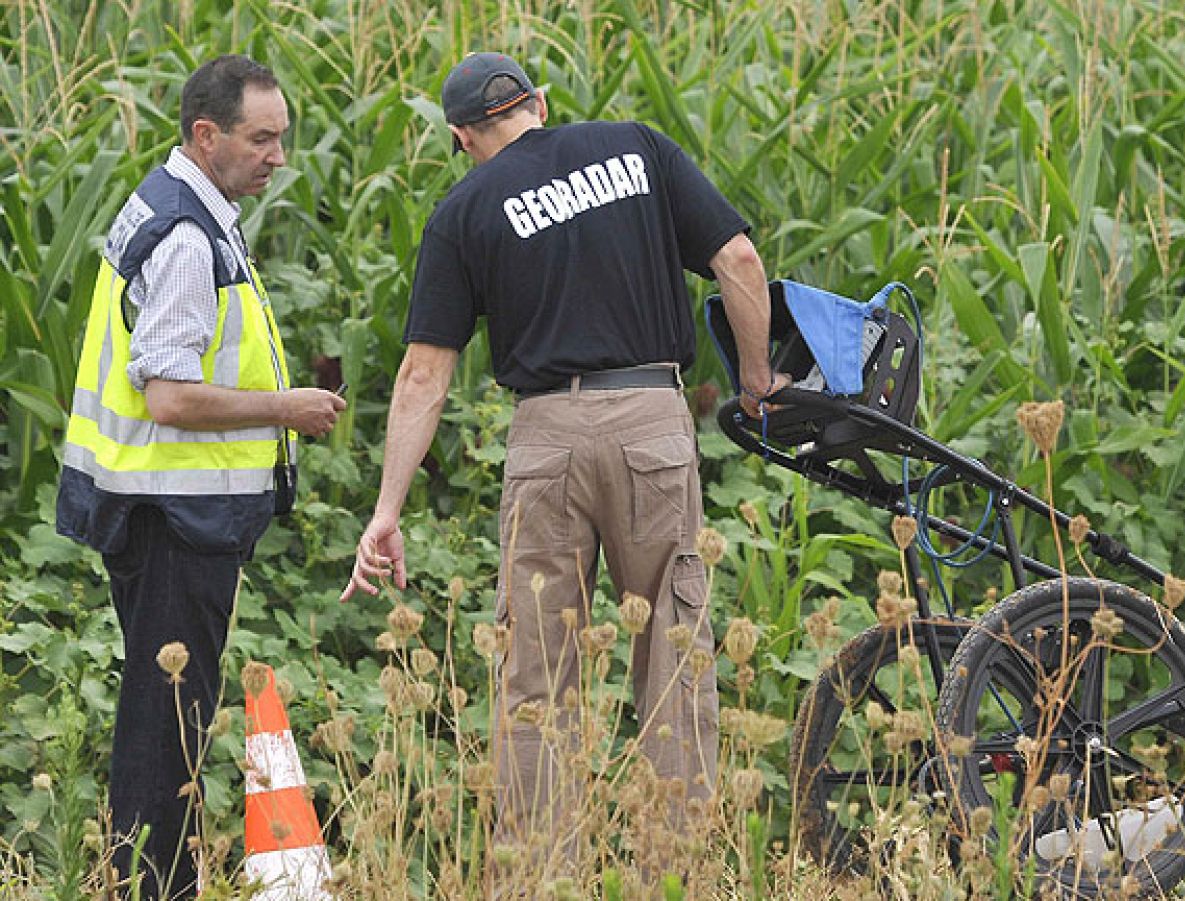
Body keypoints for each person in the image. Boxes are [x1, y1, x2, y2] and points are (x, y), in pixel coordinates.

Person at [340, 52, 786, 875]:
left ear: (461, 137)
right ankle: (673, 875)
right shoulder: (638, 147)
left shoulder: (463, 209)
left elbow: (423, 374)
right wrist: (756, 382)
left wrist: (387, 511)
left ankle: (541, 878)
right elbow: (741, 263)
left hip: (545, 436)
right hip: (652, 419)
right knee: (674, 648)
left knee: (537, 672)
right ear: (539, 104)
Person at [56, 55, 346, 898]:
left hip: (158, 507)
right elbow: (172, 395)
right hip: (176, 517)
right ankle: (153, 886)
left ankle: (144, 879)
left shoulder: (177, 202)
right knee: (167, 725)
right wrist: (285, 408)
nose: (278, 156)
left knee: (162, 714)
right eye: (261, 139)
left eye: (282, 137)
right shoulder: (187, 236)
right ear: (206, 133)